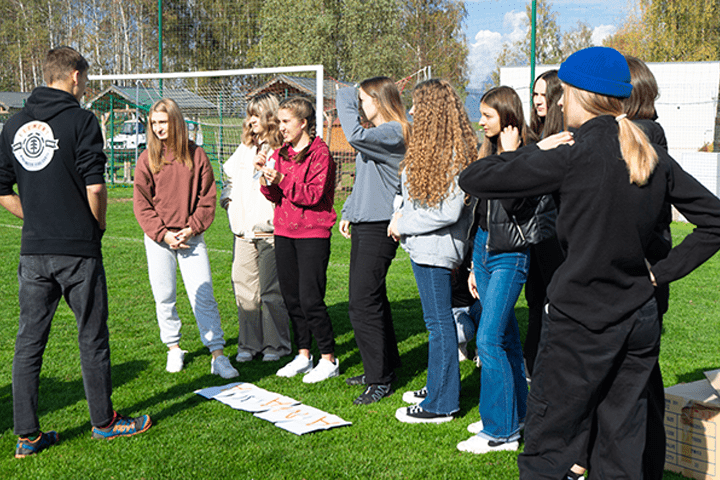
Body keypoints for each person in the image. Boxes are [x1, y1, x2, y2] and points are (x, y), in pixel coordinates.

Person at [459, 46, 720, 479]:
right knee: (620, 445)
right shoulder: (650, 155)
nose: (559, 103)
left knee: (548, 447)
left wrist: (536, 149)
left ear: (579, 95)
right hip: (638, 316)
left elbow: (475, 178)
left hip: (580, 322)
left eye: (563, 95)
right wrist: (660, 274)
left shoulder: (574, 154)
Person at [0, 46, 151, 458]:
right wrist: (95, 224)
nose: (84, 87)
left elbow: (1, 191)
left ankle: (27, 437)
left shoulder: (12, 126)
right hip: (77, 251)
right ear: (73, 76)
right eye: (84, 80)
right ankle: (104, 423)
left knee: (28, 343)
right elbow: (96, 187)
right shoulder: (82, 121)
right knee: (92, 337)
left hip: (33, 253)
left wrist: (38, 219)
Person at [389, 79, 477, 423]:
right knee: (436, 324)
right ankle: (438, 386)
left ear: (432, 112)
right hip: (425, 249)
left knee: (440, 326)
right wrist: (400, 216)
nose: (410, 111)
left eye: (416, 105)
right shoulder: (433, 150)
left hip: (437, 251)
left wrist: (403, 224)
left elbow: (448, 211)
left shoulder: (453, 154)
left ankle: (442, 404)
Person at [133, 98, 239, 379]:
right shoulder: (147, 158)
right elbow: (142, 205)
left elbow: (208, 198)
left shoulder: (197, 155)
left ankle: (217, 354)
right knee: (164, 296)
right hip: (159, 240)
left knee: (203, 296)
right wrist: (163, 234)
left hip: (191, 238)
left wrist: (192, 229)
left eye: (163, 122)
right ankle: (173, 347)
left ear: (176, 122)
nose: (158, 128)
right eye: (154, 123)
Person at [455, 86, 533, 454]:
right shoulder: (488, 152)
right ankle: (517, 415)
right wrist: (473, 263)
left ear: (506, 115)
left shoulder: (529, 155)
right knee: (507, 339)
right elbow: (480, 208)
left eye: (487, 115)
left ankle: (500, 431)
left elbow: (519, 203)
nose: (481, 121)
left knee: (487, 339)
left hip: (510, 255)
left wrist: (514, 156)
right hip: (485, 252)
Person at [336, 77, 410, 404]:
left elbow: (354, 136)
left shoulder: (393, 131)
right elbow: (365, 175)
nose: (360, 105)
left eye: (363, 100)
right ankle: (383, 365)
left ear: (377, 101)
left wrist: (343, 95)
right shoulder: (377, 136)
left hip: (382, 225)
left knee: (361, 302)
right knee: (372, 297)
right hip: (367, 221)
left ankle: (380, 380)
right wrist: (349, 210)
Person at [256, 96, 339, 384]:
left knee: (311, 298)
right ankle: (303, 355)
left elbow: (313, 195)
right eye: (279, 122)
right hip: (284, 232)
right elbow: (276, 196)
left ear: (303, 123)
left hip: (313, 233)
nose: (281, 128)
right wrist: (267, 182)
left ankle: (329, 357)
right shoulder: (280, 153)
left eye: (286, 121)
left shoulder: (321, 153)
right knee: (292, 298)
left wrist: (280, 179)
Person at [220, 93, 291, 363]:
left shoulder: (281, 151)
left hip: (270, 232)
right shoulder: (245, 148)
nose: (251, 121)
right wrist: (228, 200)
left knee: (271, 291)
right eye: (249, 115)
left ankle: (277, 345)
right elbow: (230, 177)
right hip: (243, 233)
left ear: (270, 117)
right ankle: (249, 344)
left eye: (256, 115)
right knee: (243, 288)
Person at [524, 70, 566, 377]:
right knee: (535, 299)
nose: (539, 101)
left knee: (551, 301)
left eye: (544, 95)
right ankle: (532, 365)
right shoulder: (534, 136)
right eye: (535, 95)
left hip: (554, 232)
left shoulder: (563, 136)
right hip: (534, 233)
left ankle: (546, 366)